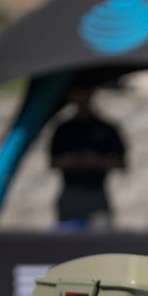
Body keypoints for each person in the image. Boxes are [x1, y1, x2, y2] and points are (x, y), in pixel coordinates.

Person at [49, 84, 126, 227]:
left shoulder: (105, 128)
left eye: (84, 91)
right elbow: (54, 162)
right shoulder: (64, 129)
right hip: (71, 192)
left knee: (101, 241)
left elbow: (121, 163)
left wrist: (97, 160)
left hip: (97, 192)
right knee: (66, 241)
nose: (81, 96)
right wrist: (76, 160)